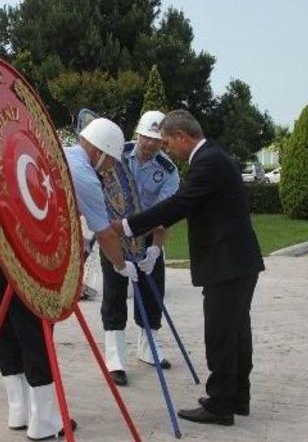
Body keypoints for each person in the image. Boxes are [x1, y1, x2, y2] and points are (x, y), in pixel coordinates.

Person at [0, 117, 135, 440]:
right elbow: (106, 236)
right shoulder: (85, 175)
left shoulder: (58, 151)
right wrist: (121, 266)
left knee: (0, 326)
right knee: (33, 325)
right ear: (101, 151)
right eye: (112, 161)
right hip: (15, 242)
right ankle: (44, 421)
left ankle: (20, 409)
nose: (111, 168)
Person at [111, 109, 264, 427]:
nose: (167, 149)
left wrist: (127, 226)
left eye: (167, 143)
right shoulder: (215, 155)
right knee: (236, 332)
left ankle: (221, 405)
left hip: (227, 263)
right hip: (237, 261)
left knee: (221, 334)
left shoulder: (207, 162)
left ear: (182, 137)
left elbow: (178, 205)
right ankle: (237, 396)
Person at [100, 110, 180, 386]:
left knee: (152, 290)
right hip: (113, 235)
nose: (151, 145)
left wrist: (155, 250)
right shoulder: (116, 155)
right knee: (114, 293)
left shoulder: (168, 170)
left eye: (157, 141)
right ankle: (115, 358)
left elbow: (164, 216)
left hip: (147, 236)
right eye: (147, 138)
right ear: (138, 135)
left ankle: (148, 348)